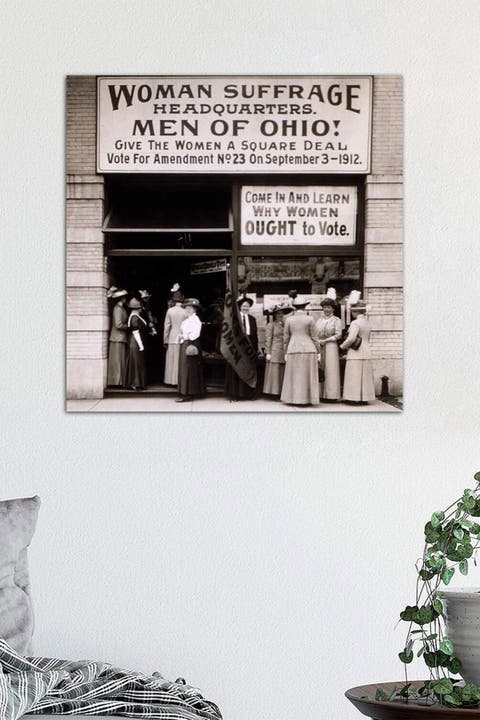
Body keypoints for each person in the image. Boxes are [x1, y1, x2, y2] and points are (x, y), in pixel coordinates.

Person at [280, 296, 321, 406]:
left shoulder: (289, 319)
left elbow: (286, 338)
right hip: (309, 349)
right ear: (305, 306)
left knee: (294, 375)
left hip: (293, 349)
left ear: (294, 307)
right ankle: (307, 399)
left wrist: (285, 352)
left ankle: (294, 399)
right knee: (307, 375)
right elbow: (314, 337)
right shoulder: (310, 319)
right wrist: (319, 351)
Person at [339, 301, 376, 404]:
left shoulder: (355, 323)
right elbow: (367, 338)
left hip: (356, 352)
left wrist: (342, 347)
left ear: (355, 312)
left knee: (354, 375)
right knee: (365, 377)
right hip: (366, 351)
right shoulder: (368, 323)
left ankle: (353, 398)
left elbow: (351, 339)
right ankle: (364, 399)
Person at [224, 295, 258, 400]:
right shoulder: (235, 319)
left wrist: (255, 349)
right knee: (237, 369)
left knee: (248, 369)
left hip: (248, 348)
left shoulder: (252, 319)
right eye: (243, 306)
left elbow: (254, 335)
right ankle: (235, 394)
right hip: (237, 348)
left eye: (247, 306)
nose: (245, 308)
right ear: (240, 307)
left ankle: (247, 394)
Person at [176, 298, 205, 402]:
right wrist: (182, 336)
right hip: (185, 344)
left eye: (190, 308)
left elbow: (194, 335)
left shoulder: (196, 320)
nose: (188, 310)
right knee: (184, 368)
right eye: (186, 308)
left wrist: (183, 336)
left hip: (191, 344)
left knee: (189, 368)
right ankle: (184, 391)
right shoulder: (186, 320)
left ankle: (188, 393)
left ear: (195, 310)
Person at [316, 298, 342, 402]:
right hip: (320, 346)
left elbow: (339, 335)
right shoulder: (319, 320)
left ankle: (331, 396)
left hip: (331, 346)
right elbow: (315, 332)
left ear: (333, 309)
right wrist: (317, 341)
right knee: (320, 368)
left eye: (328, 307)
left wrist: (326, 340)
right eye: (324, 307)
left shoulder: (336, 320)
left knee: (331, 369)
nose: (326, 309)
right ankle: (320, 394)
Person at [263, 304, 292, 398]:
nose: (280, 315)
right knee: (275, 372)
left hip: (284, 350)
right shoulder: (271, 325)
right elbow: (268, 339)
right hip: (275, 350)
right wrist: (268, 352)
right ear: (275, 315)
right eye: (278, 314)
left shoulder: (286, 324)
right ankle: (273, 393)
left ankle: (281, 392)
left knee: (282, 371)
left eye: (282, 314)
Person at [163, 290, 187, 385]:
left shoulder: (170, 311)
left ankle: (169, 380)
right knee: (179, 359)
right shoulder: (185, 311)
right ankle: (178, 381)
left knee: (171, 359)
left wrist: (165, 339)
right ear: (182, 299)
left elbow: (167, 326)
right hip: (181, 336)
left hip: (172, 336)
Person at [106, 288, 128, 387]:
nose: (125, 299)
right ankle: (116, 381)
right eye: (124, 297)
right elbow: (118, 324)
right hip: (117, 337)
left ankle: (119, 381)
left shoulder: (121, 308)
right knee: (117, 361)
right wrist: (129, 326)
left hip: (120, 337)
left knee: (120, 360)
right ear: (122, 298)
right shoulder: (117, 309)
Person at [125, 298, 148, 391]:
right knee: (136, 362)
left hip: (135, 341)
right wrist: (141, 345)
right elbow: (135, 332)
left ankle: (136, 383)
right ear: (138, 308)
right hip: (135, 341)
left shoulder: (134, 315)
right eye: (140, 307)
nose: (141, 308)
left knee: (137, 362)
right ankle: (135, 383)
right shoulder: (134, 317)